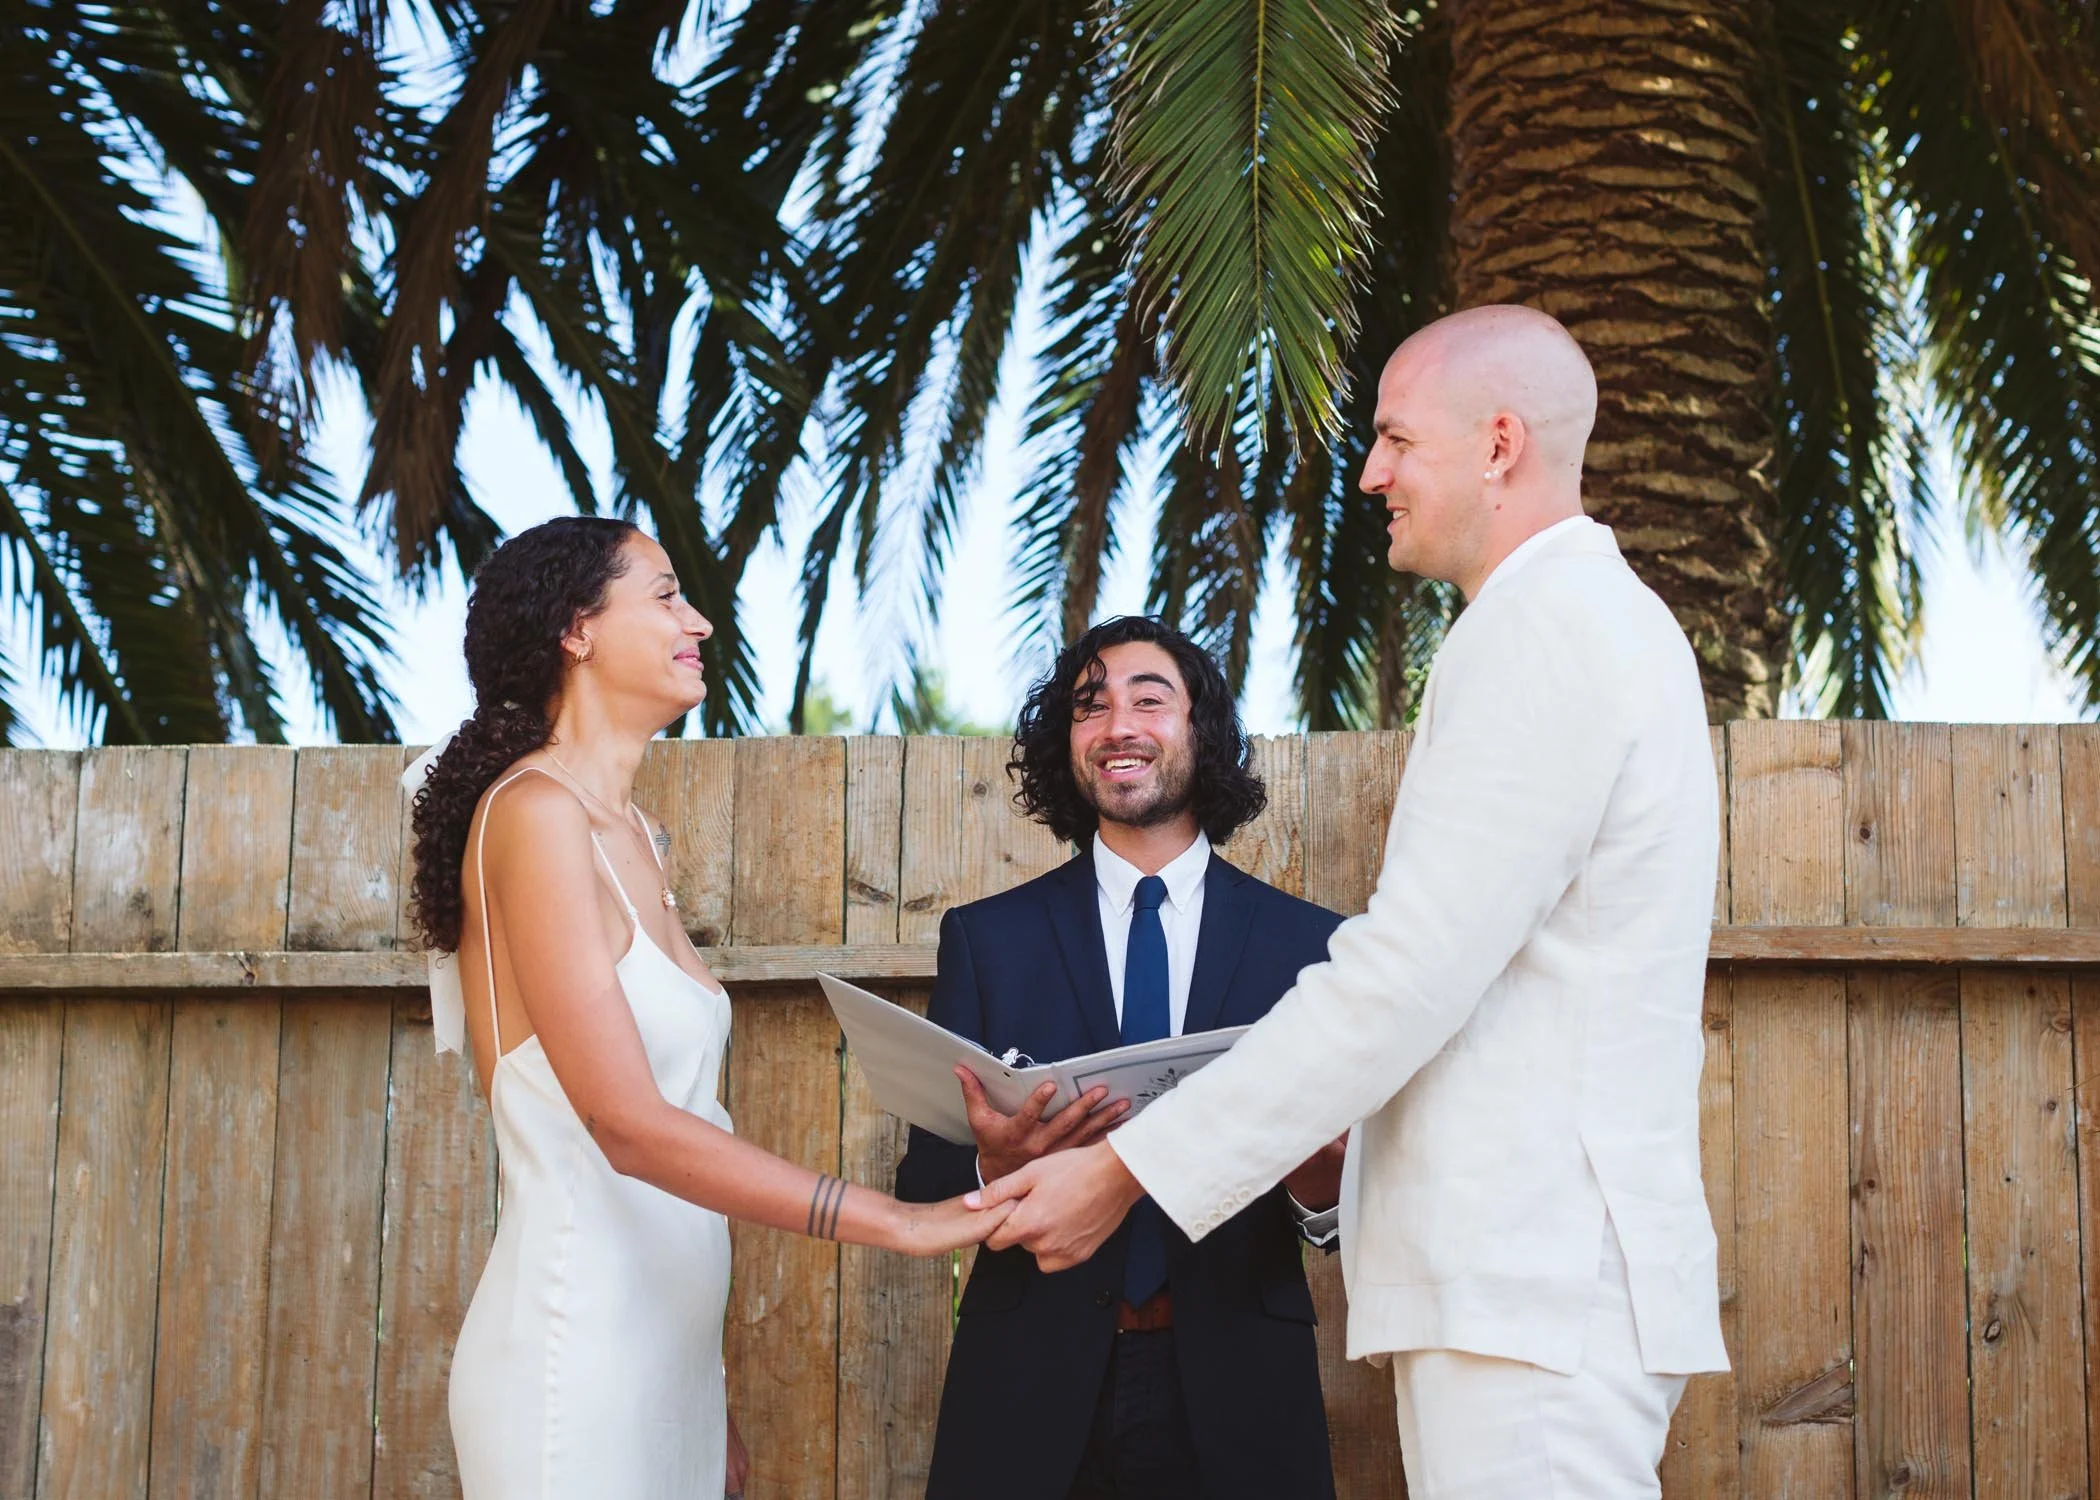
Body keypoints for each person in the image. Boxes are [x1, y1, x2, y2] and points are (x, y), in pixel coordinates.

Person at [971, 306, 1730, 1500]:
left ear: (1497, 445)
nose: (1370, 473)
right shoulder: (1579, 625)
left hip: (1529, 1286)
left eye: (1394, 440)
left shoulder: (1546, 630)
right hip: (1529, 1290)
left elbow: (1408, 972)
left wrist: (1124, 1173)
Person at [404, 517, 1010, 1500]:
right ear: (578, 628)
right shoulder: (535, 816)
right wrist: (899, 1223)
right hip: (575, 1355)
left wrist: (708, 1385)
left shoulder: (636, 834)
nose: (702, 620)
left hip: (665, 1365)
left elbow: (680, 1128)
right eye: (667, 595)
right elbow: (630, 1129)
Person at [895, 616, 1347, 1500]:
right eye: (1089, 707)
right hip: (1026, 1391)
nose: (1118, 726)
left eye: (1151, 699)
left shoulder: (1311, 945)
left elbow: (1335, 1213)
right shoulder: (988, 940)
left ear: (1200, 731)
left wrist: (1318, 1177)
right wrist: (997, 1159)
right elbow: (926, 1187)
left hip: (1244, 1393)